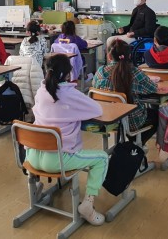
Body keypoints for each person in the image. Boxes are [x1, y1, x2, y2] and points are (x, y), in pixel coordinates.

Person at [28, 54, 108, 226]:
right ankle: (88, 204)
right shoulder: (69, 93)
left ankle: (36, 193)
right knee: (102, 158)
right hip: (57, 160)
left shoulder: (41, 91)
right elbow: (96, 109)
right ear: (67, 74)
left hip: (32, 157)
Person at [92, 39, 159, 144]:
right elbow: (152, 88)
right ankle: (136, 145)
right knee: (157, 115)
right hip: (132, 122)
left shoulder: (100, 72)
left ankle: (126, 145)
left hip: (107, 120)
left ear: (109, 56)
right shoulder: (135, 72)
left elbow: (94, 87)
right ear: (129, 56)